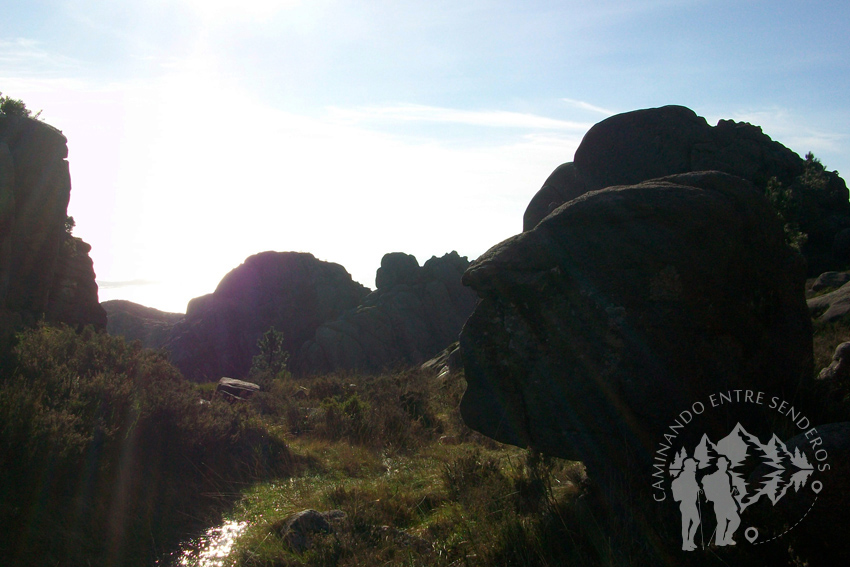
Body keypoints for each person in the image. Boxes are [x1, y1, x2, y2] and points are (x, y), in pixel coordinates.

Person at [701, 456, 741, 546]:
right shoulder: (716, 476)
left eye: (725, 464)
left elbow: (726, 491)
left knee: (735, 520)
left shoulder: (726, 475)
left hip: (727, 502)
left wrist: (732, 490)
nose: (724, 466)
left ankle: (726, 537)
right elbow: (717, 491)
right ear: (718, 465)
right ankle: (720, 541)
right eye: (722, 464)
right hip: (720, 503)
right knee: (722, 522)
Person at [671, 458, 701, 550]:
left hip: (691, 504)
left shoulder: (691, 475)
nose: (696, 466)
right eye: (694, 465)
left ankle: (690, 541)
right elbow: (687, 488)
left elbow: (694, 486)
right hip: (687, 504)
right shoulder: (685, 475)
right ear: (689, 466)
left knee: (696, 521)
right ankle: (685, 544)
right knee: (686, 524)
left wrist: (697, 489)